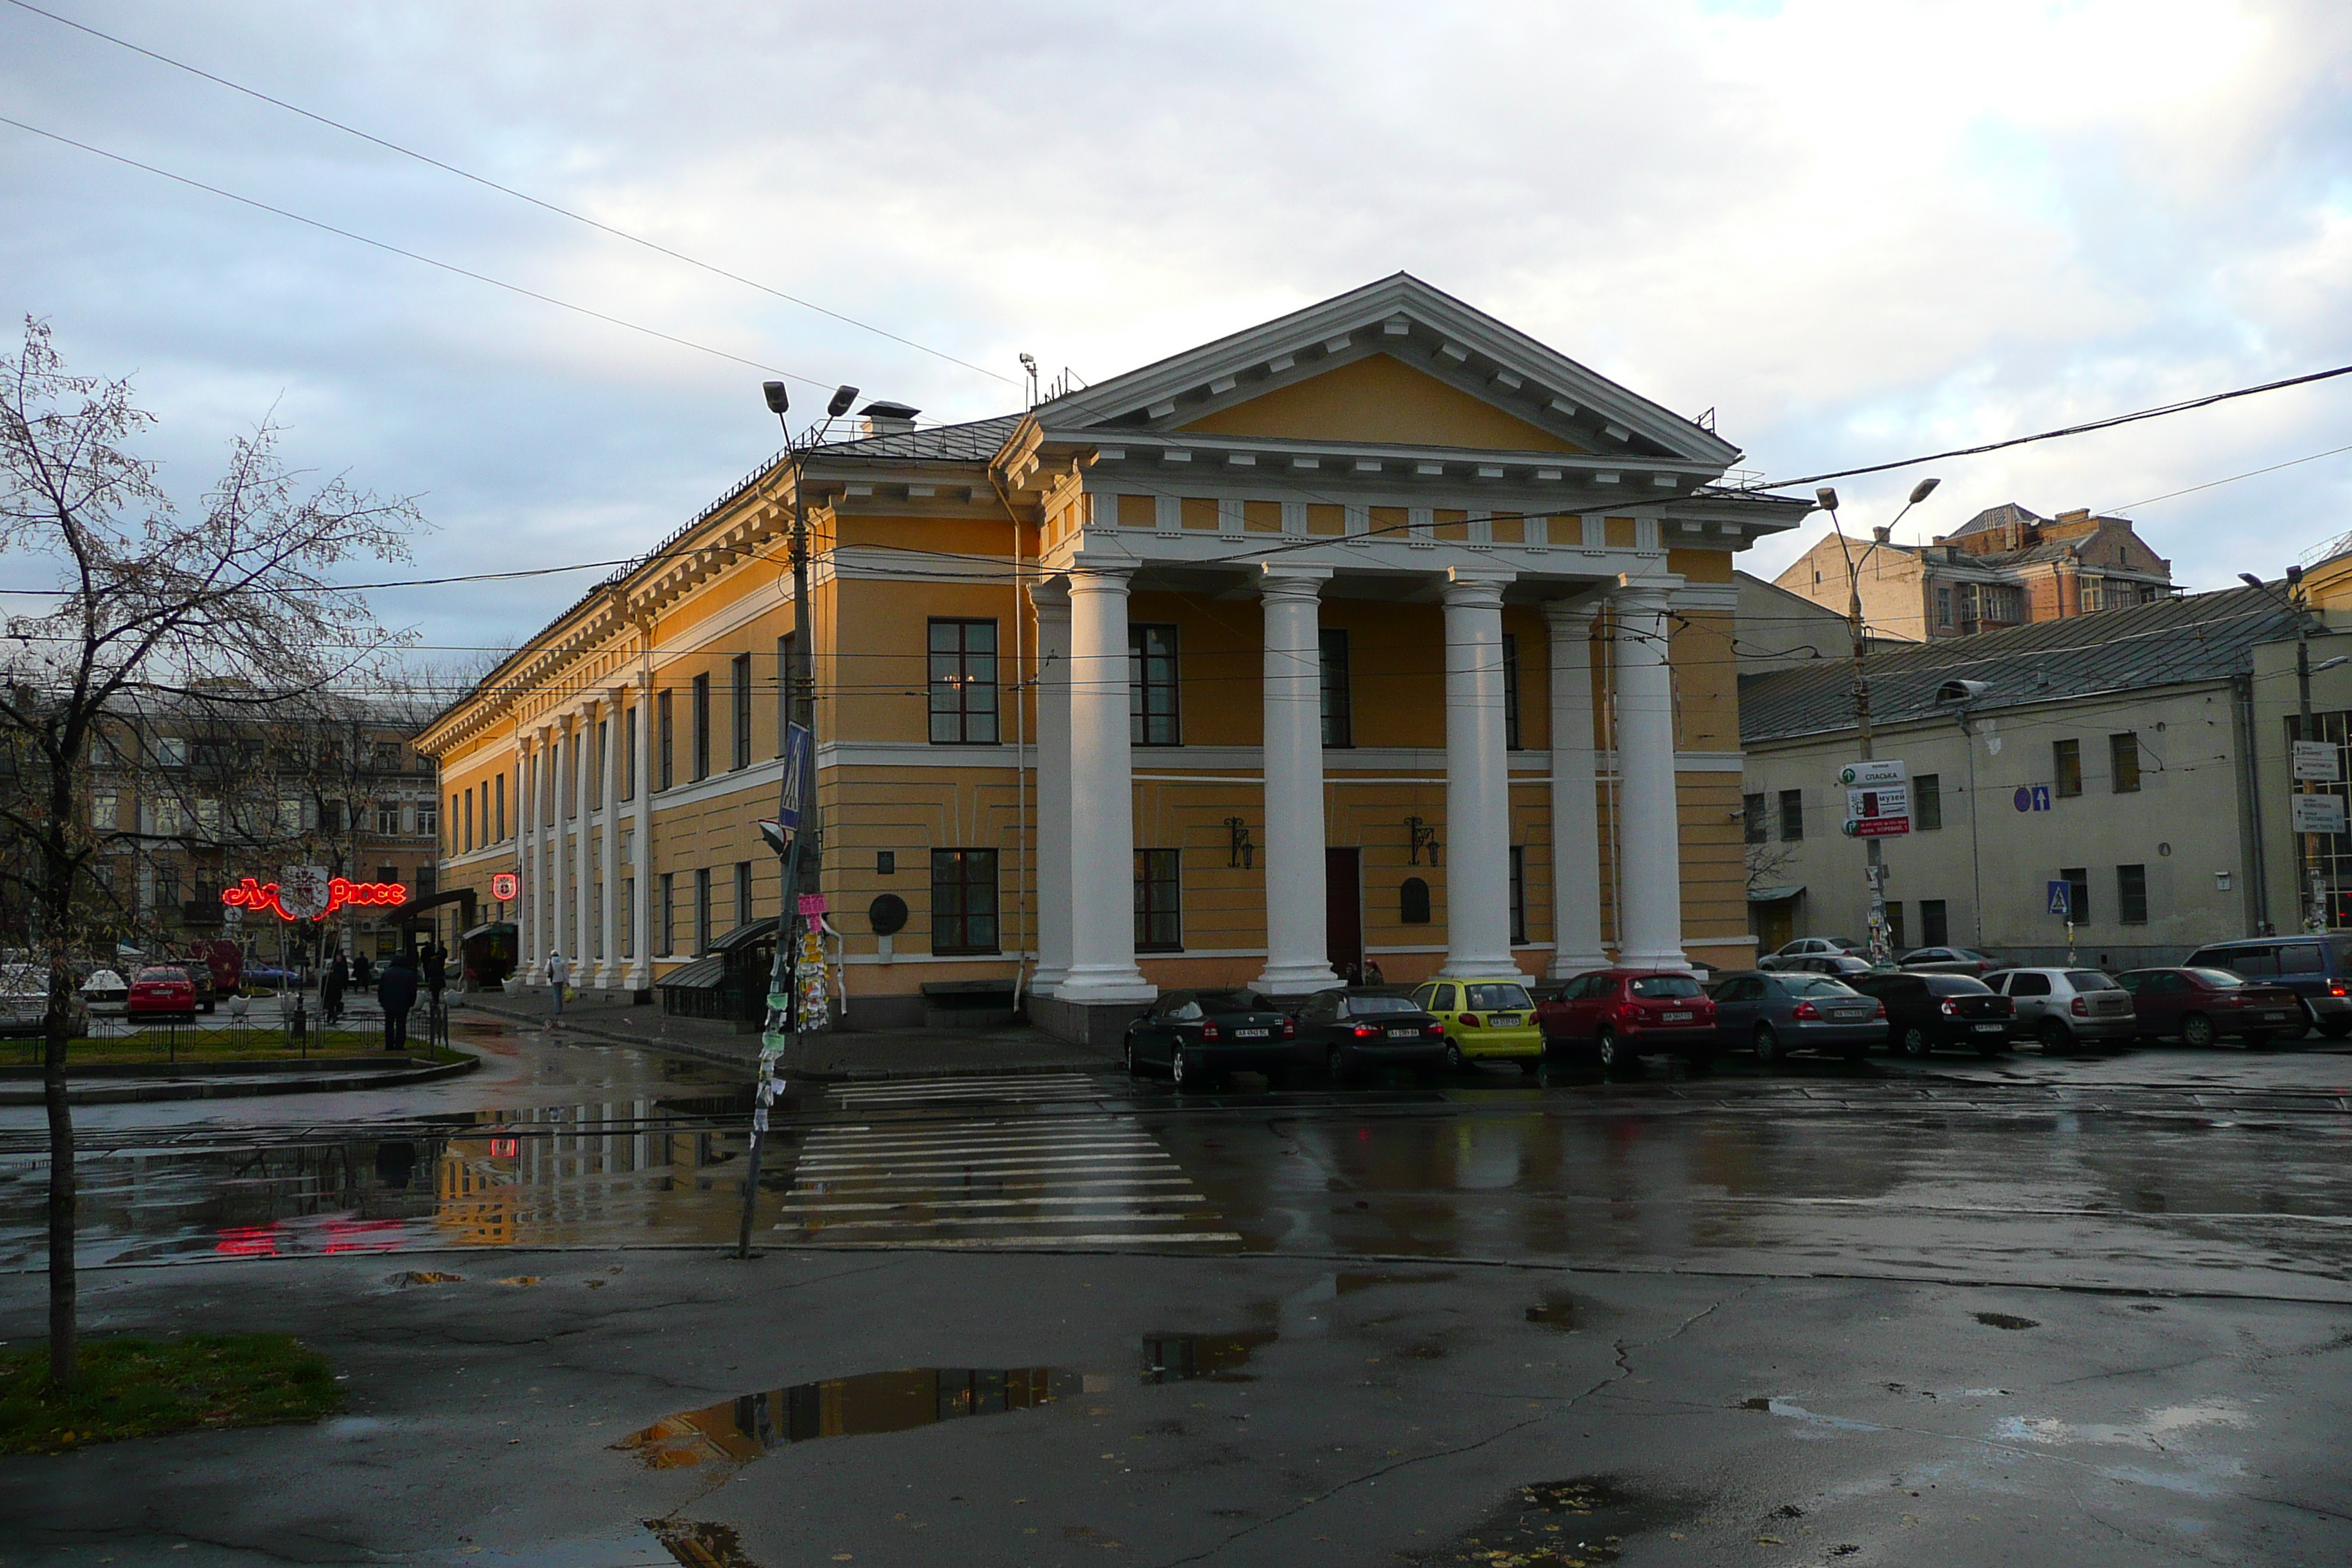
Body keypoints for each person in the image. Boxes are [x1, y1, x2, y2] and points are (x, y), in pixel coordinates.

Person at [377, 949, 418, 1053]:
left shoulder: (386, 973)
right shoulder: (408, 974)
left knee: (389, 1024)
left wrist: (382, 1001)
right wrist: (411, 1002)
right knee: (401, 1024)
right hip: (403, 1004)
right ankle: (400, 1045)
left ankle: (389, 1045)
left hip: (389, 1004)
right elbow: (412, 990)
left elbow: (381, 989)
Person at [322, 950, 347, 1025]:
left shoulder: (326, 978)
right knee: (332, 1006)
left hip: (329, 995)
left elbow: (323, 987)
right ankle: (330, 1018)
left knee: (330, 1007)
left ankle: (332, 1017)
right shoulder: (336, 977)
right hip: (335, 994)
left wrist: (322, 995)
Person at [545, 949, 569, 1028]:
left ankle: (558, 1010)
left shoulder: (550, 961)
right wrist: (567, 981)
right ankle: (561, 1008)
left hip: (554, 980)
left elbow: (546, 970)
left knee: (556, 995)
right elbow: (566, 972)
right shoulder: (562, 961)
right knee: (560, 994)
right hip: (561, 979)